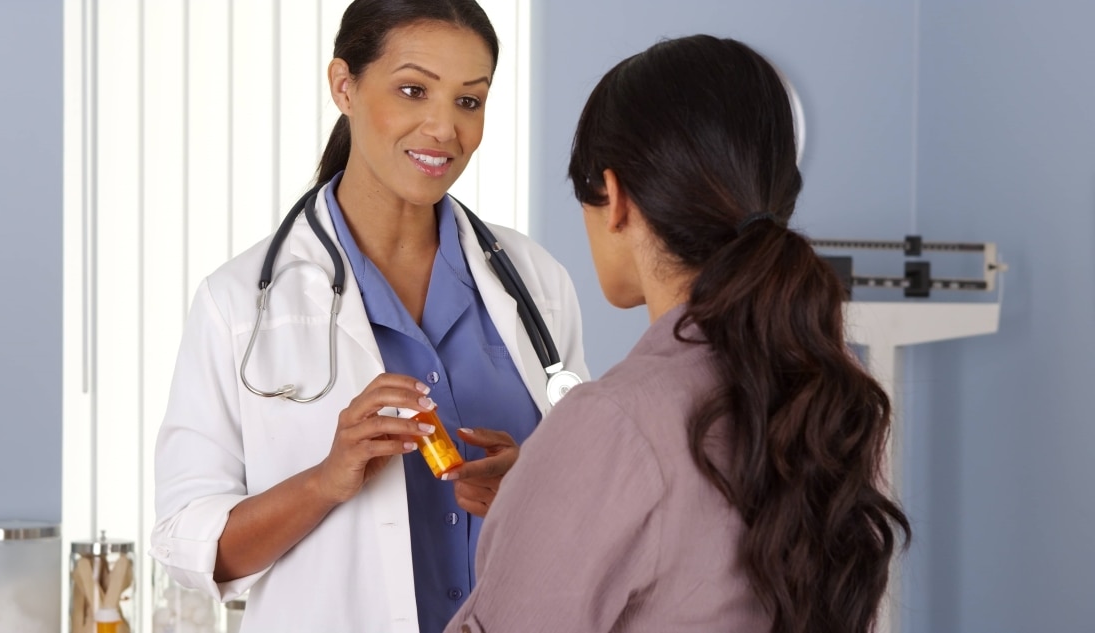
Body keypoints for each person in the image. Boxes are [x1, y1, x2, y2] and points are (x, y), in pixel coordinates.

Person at [446, 34, 910, 633]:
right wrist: (552, 496)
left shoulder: (611, 422)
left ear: (614, 199)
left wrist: (564, 485)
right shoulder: (835, 395)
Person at [149, 1, 588, 631]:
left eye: (470, 101)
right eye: (413, 90)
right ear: (343, 86)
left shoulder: (536, 283)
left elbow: (594, 510)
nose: (444, 127)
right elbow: (188, 546)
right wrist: (326, 481)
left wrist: (532, 492)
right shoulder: (239, 304)